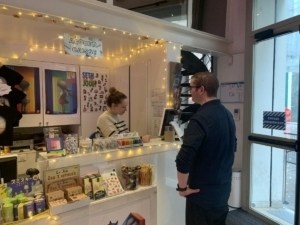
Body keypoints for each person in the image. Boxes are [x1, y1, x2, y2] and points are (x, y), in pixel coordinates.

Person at [175, 71, 236, 225]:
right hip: (222, 191)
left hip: (201, 195)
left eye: (191, 88)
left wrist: (182, 189)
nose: (189, 91)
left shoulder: (200, 119)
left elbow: (183, 159)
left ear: (201, 90)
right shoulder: (227, 115)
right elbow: (232, 147)